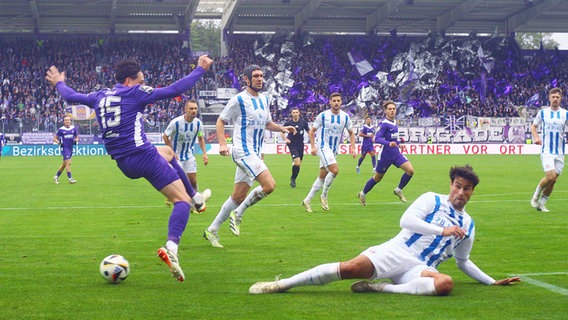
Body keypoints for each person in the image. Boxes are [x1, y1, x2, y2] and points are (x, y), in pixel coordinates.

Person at [45, 55, 213, 282]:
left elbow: (71, 96)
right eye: (141, 80)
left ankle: (197, 198)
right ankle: (172, 247)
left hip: (124, 162)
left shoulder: (100, 96)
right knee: (180, 202)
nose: (144, 84)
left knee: (168, 152)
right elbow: (174, 89)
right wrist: (200, 70)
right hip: (142, 156)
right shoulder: (135, 93)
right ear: (128, 81)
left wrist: (58, 82)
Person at [249, 165, 521, 295]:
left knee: (445, 284)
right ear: (451, 184)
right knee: (350, 268)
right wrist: (442, 231)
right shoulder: (432, 199)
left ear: (472, 192)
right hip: (397, 250)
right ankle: (282, 284)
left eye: (467, 188)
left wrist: (491, 281)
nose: (461, 192)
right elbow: (406, 221)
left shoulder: (469, 225)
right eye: (457, 186)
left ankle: (381, 289)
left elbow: (463, 261)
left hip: (421, 268)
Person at [203, 64, 296, 248]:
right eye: (255, 76)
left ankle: (211, 230)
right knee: (269, 185)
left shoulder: (264, 100)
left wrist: (283, 128)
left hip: (254, 152)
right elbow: (221, 120)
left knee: (237, 197)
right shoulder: (238, 100)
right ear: (246, 79)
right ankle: (238, 214)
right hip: (242, 151)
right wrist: (222, 144)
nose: (260, 78)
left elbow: (268, 123)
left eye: (261, 75)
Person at [300, 92, 356, 213]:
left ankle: (307, 200)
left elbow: (351, 133)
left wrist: (353, 147)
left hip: (334, 149)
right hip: (323, 146)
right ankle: (324, 196)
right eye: (334, 101)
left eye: (338, 101)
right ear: (330, 102)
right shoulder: (323, 115)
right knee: (334, 170)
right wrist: (313, 147)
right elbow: (311, 131)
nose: (336, 103)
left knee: (322, 177)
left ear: (341, 102)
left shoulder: (345, 117)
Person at [357, 100, 414, 206]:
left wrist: (398, 143)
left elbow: (393, 138)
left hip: (396, 154)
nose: (392, 111)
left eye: (393, 109)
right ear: (385, 111)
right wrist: (389, 143)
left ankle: (398, 189)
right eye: (390, 109)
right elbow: (376, 138)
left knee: (410, 170)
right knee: (377, 178)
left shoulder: (394, 122)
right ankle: (363, 193)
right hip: (385, 156)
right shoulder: (384, 124)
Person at [163, 100, 211, 212]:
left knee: (193, 181)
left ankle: (195, 203)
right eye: (191, 109)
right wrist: (171, 151)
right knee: (179, 181)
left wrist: (204, 154)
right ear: (185, 109)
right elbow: (165, 136)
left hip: (189, 155)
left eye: (195, 109)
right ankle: (177, 199)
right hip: (176, 157)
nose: (193, 111)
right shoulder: (176, 122)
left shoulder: (198, 123)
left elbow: (200, 138)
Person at [530, 87, 568, 212]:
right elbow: (533, 126)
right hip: (547, 151)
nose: (555, 99)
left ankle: (541, 204)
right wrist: (536, 137)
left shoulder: (565, 113)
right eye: (553, 97)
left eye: (557, 97)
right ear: (549, 98)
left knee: (553, 181)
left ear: (561, 98)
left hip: (560, 152)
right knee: (550, 177)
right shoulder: (543, 113)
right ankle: (535, 197)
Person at [280, 107, 310, 188]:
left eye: (297, 112)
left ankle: (294, 177)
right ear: (292, 114)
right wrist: (286, 139)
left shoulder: (303, 122)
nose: (295, 114)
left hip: (300, 144)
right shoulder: (288, 123)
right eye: (294, 112)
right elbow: (281, 132)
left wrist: (312, 140)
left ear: (299, 113)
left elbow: (309, 131)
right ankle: (292, 179)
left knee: (298, 164)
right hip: (292, 144)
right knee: (297, 162)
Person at [53, 116, 79, 184]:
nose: (67, 121)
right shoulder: (61, 129)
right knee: (68, 163)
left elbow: (76, 137)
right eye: (66, 120)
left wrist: (76, 141)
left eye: (68, 120)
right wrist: (59, 142)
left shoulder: (73, 128)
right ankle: (70, 178)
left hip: (70, 148)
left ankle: (56, 176)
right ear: (64, 122)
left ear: (70, 121)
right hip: (64, 148)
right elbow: (55, 138)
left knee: (64, 164)